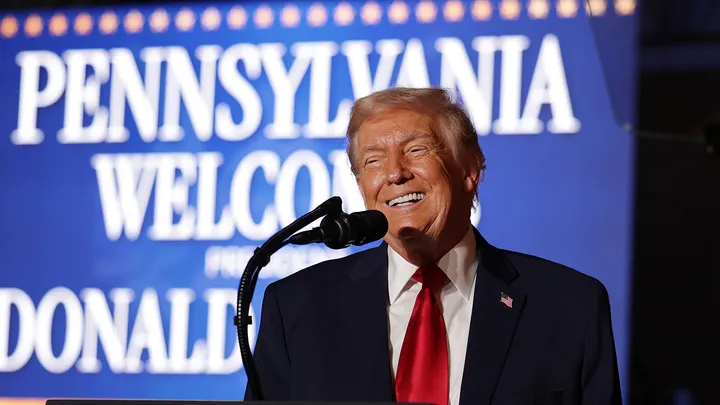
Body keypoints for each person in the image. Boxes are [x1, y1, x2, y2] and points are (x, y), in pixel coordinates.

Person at [245, 87, 622, 405]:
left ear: (469, 171)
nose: (394, 173)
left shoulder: (570, 307)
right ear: (361, 185)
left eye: (416, 150)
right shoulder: (298, 307)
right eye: (373, 160)